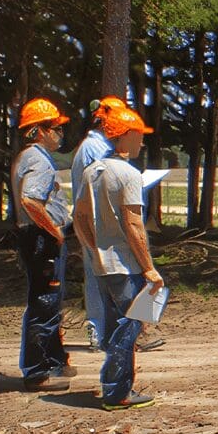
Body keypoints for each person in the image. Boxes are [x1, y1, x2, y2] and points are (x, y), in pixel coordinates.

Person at [71, 104, 165, 410]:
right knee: (131, 325)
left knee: (114, 326)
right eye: (138, 135)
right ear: (125, 136)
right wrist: (149, 268)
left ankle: (113, 387)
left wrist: (91, 248)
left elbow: (79, 217)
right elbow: (134, 224)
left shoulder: (92, 171)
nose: (141, 142)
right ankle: (118, 391)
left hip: (102, 265)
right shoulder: (127, 174)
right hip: (125, 265)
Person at [12, 98, 75, 392]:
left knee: (44, 300)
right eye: (54, 128)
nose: (59, 133)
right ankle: (37, 373)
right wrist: (55, 232)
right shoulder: (38, 160)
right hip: (43, 240)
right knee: (44, 303)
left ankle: (52, 360)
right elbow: (30, 200)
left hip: (35, 238)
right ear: (39, 130)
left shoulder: (27, 157)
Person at [71, 96, 124, 351]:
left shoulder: (93, 147)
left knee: (99, 276)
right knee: (106, 276)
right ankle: (108, 333)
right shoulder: (96, 149)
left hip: (96, 222)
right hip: (98, 223)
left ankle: (102, 330)